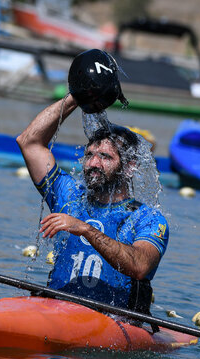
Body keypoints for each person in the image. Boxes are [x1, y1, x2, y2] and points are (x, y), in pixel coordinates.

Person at [16, 94, 169, 316]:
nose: (93, 164)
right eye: (89, 155)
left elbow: (140, 266)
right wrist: (75, 97)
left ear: (129, 167)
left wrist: (85, 229)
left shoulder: (148, 219)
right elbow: (29, 142)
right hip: (55, 311)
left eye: (105, 157)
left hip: (113, 321)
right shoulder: (68, 196)